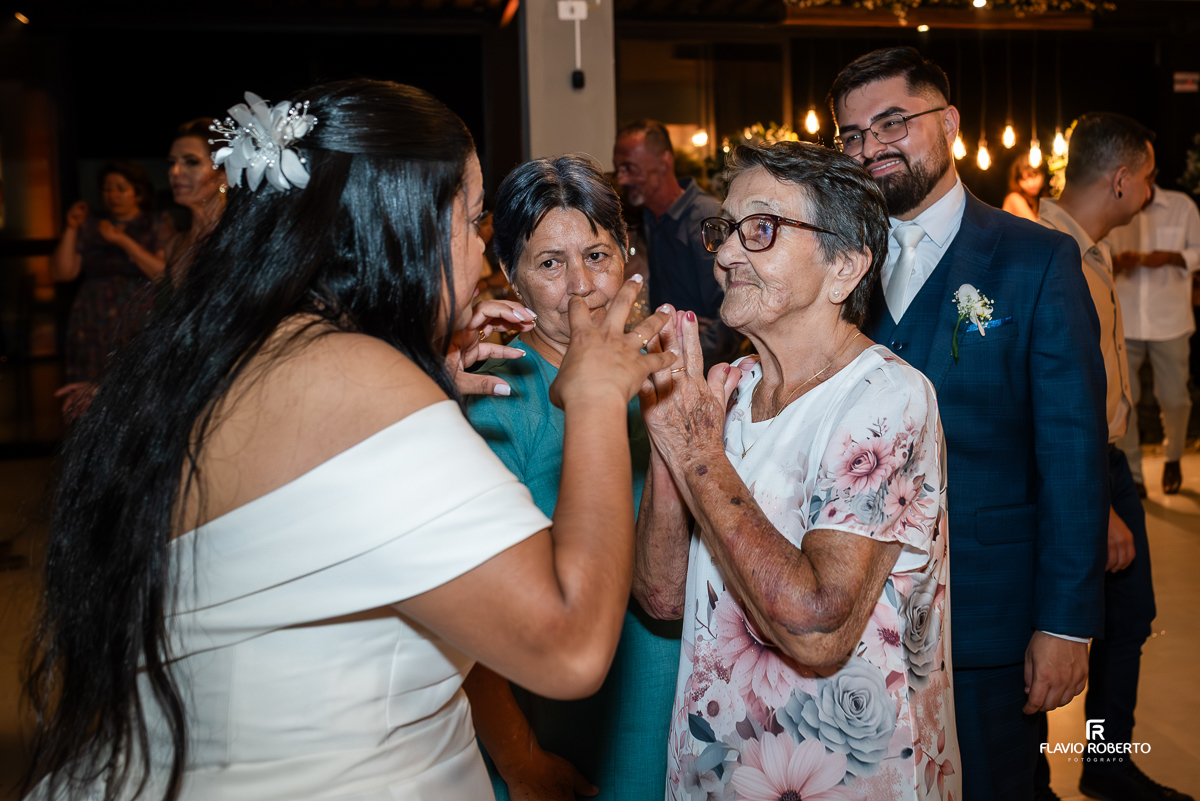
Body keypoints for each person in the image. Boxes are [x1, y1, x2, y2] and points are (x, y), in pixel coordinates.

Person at [21, 80, 676, 801]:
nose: (478, 247)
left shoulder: (248, 350)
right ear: (403, 226)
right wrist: (592, 396)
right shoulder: (356, 379)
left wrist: (422, 395)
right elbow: (571, 645)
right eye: (471, 220)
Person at [635, 140, 961, 801]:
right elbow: (662, 595)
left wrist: (698, 453)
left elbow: (817, 628)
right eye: (723, 230)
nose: (726, 255)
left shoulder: (887, 397)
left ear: (844, 265)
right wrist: (675, 439)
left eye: (761, 229)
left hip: (845, 778)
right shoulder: (726, 391)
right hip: (717, 768)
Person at [828, 47, 1108, 800]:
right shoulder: (833, 267)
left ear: (948, 123)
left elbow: (1073, 454)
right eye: (851, 135)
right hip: (852, 617)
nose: (871, 147)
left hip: (988, 615)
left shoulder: (1037, 260)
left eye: (892, 123)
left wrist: (1066, 622)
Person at [464, 155, 681, 801]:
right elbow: (465, 618)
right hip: (559, 725)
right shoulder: (503, 395)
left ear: (628, 256)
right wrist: (523, 760)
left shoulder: (665, 371)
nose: (582, 286)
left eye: (597, 253)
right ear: (512, 278)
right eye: (550, 263)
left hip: (672, 701)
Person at [1039, 113, 1190, 801]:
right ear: (1120, 179)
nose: (1154, 192)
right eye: (1150, 176)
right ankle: (1035, 772)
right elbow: (1052, 400)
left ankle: (1103, 757)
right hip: (1079, 469)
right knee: (1049, 628)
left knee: (1127, 621)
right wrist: (1097, 503)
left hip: (1109, 463)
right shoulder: (1050, 253)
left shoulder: (1087, 248)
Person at [613, 120, 740, 368]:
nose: (622, 178)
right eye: (619, 168)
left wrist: (681, 355)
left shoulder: (704, 217)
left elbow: (731, 314)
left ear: (664, 162)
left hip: (705, 369)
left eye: (629, 168)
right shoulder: (650, 216)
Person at [49, 159, 166, 415]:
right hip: (92, 318)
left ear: (137, 192)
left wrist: (122, 240)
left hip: (136, 316)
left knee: (134, 390)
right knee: (87, 395)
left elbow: (162, 274)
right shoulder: (92, 225)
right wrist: (71, 227)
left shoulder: (156, 223)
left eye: (120, 188)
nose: (112, 195)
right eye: (106, 188)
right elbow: (63, 272)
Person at [1108, 184, 1200, 496]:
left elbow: (1198, 251)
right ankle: (1133, 473)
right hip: (1126, 319)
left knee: (1176, 398)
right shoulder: (1115, 205)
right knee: (1124, 402)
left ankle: (1173, 457)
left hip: (1170, 320)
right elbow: (1095, 251)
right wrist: (1117, 262)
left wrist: (1173, 257)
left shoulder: (1182, 205)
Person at [163, 118, 227, 286]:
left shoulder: (237, 241)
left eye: (191, 162)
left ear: (224, 176)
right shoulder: (175, 245)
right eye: (172, 162)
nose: (175, 172)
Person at [1003, 153, 1050, 221]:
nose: (1030, 184)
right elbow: (1037, 229)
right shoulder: (1014, 198)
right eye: (1023, 179)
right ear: (1017, 182)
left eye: (1034, 176)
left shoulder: (1039, 200)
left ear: (1043, 174)